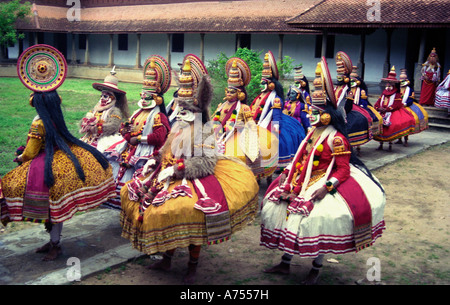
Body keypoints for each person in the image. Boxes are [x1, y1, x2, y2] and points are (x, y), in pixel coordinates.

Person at [119, 54, 259, 284]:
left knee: (190, 212)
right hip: (168, 173)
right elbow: (166, 147)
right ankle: (167, 256)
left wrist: (177, 171)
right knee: (146, 203)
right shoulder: (178, 126)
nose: (180, 115)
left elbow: (205, 162)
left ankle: (192, 264)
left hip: (193, 178)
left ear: (197, 111)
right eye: (179, 110)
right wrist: (157, 159)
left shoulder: (204, 131)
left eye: (185, 111)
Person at [260, 57, 386, 285]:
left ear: (328, 114)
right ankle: (286, 263)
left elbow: (343, 171)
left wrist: (325, 189)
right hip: (300, 180)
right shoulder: (313, 133)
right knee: (287, 218)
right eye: (310, 110)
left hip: (323, 182)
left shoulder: (337, 139)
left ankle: (316, 268)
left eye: (315, 112)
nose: (310, 115)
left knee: (317, 222)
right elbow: (301, 156)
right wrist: (287, 173)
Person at [0, 45, 116, 261]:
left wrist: (20, 157)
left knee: (20, 190)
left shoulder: (39, 123)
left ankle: (55, 245)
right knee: (54, 210)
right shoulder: (55, 119)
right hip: (61, 159)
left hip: (44, 168)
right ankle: (53, 242)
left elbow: (30, 152)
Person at [103, 55, 171, 209]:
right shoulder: (137, 113)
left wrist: (139, 139)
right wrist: (126, 134)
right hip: (129, 150)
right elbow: (125, 127)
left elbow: (159, 137)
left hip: (147, 153)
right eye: (142, 95)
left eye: (147, 96)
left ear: (156, 98)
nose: (144, 99)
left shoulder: (158, 116)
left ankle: (135, 208)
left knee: (140, 179)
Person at [212, 57, 278, 182]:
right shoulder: (222, 106)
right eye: (227, 91)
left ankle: (250, 176)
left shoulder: (244, 108)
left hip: (240, 134)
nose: (228, 94)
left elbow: (251, 125)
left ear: (240, 94)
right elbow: (214, 120)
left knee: (243, 155)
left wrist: (244, 130)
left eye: (232, 92)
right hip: (221, 135)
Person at [250, 51, 305, 172]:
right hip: (257, 123)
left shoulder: (276, 99)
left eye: (263, 83)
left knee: (277, 143)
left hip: (271, 123)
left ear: (271, 85)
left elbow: (276, 117)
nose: (260, 85)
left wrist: (275, 133)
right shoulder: (259, 96)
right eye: (261, 82)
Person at [79, 66, 129, 152]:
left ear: (113, 97)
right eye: (101, 96)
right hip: (90, 138)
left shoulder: (114, 110)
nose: (102, 98)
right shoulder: (96, 109)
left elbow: (113, 126)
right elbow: (84, 121)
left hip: (105, 139)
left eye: (105, 96)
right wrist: (85, 123)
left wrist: (96, 128)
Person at [334, 52, 374, 149]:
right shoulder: (335, 88)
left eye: (341, 76)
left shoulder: (348, 91)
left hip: (344, 112)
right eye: (337, 76)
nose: (338, 78)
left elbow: (347, 107)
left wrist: (338, 113)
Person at [373, 66, 416, 151]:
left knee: (393, 126)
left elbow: (397, 104)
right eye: (387, 83)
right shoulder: (384, 93)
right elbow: (378, 102)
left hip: (392, 111)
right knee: (377, 124)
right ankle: (380, 144)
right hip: (382, 111)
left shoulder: (397, 94)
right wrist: (378, 107)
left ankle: (390, 144)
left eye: (390, 83)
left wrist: (388, 109)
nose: (388, 85)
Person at [396, 68, 429, 146]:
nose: (402, 81)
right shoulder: (397, 89)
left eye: (403, 79)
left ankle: (406, 140)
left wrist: (405, 104)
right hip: (398, 107)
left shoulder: (409, 90)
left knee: (408, 122)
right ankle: (399, 138)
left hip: (407, 106)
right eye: (400, 79)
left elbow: (411, 99)